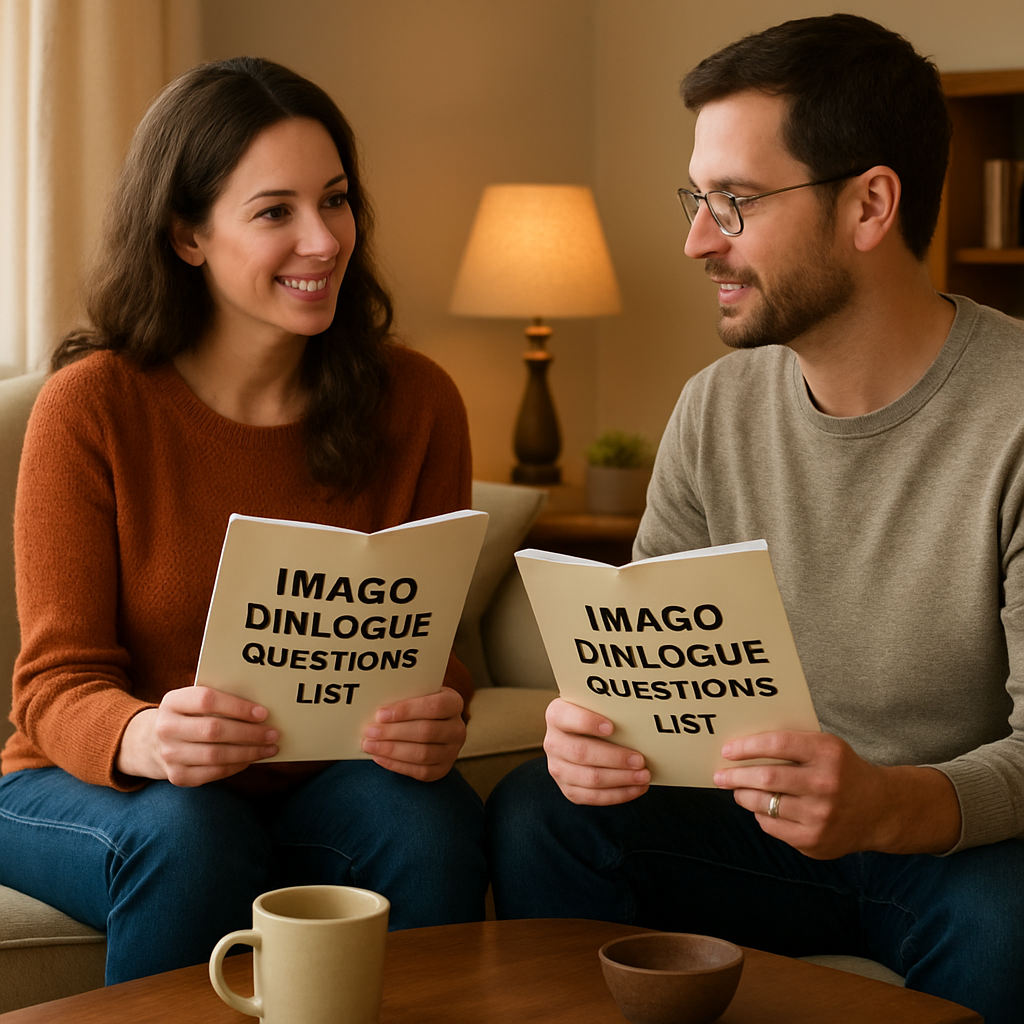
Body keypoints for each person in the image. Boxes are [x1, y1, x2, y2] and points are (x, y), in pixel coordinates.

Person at [487, 15, 1024, 1023]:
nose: (696, 239)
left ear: (869, 204)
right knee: (541, 812)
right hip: (751, 831)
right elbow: (642, 667)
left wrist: (885, 802)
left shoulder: (1014, 415)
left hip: (947, 847)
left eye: (733, 202)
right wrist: (594, 734)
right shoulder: (714, 406)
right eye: (697, 199)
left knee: (1009, 916)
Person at [0, 57, 487, 985]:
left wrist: (436, 711)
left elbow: (432, 644)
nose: (324, 239)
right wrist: (144, 735)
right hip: (91, 789)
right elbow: (54, 683)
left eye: (336, 201)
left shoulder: (418, 403)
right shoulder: (90, 409)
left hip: (312, 786)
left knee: (431, 821)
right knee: (195, 830)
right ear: (188, 235)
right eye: (276, 212)